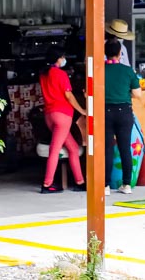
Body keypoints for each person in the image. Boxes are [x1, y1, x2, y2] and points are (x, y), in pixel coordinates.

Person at [38, 45, 87, 193]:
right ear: (58, 59)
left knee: (72, 148)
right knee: (55, 149)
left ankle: (80, 182)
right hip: (62, 115)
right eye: (63, 57)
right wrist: (82, 110)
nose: (64, 59)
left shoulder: (43, 74)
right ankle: (47, 184)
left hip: (49, 116)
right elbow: (69, 96)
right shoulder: (61, 74)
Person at [104, 37, 142, 195]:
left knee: (106, 149)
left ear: (105, 53)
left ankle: (105, 186)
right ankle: (127, 185)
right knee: (125, 147)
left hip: (105, 112)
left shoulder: (99, 70)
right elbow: (137, 94)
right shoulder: (128, 71)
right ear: (120, 53)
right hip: (125, 112)